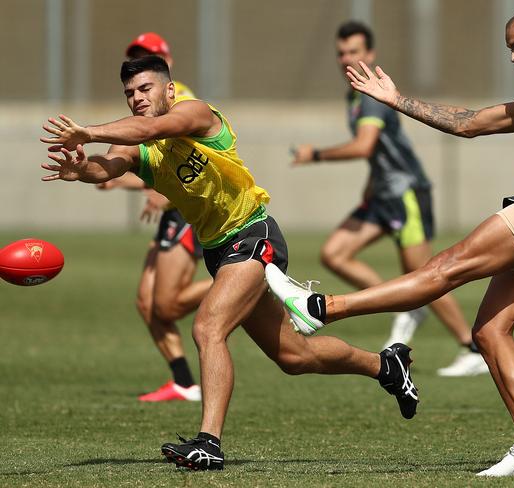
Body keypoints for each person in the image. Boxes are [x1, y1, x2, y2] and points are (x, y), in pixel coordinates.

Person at [265, 6, 514, 477]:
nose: (512, 57)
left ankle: (322, 308)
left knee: (443, 268)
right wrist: (396, 100)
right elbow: (469, 123)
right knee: (489, 331)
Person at [40, 55, 420, 471]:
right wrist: (83, 170)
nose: (137, 99)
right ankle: (386, 365)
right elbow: (112, 166)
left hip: (254, 234)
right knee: (295, 358)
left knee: (207, 327)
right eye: (130, 93)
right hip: (219, 251)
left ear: (169, 89)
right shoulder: (138, 143)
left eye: (145, 89)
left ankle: (209, 443)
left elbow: (150, 128)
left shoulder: (195, 113)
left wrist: (88, 130)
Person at [291, 21, 487, 376]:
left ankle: (471, 348)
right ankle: (406, 305)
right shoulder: (354, 94)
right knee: (334, 253)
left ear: (370, 54)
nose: (345, 58)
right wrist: (371, 185)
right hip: (383, 194)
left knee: (428, 275)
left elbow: (364, 145)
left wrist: (315, 155)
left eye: (353, 51)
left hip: (405, 195)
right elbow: (378, 153)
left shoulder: (371, 99)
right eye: (341, 52)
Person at [96, 32, 212, 402]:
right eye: (136, 57)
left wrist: (89, 134)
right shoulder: (143, 102)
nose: (138, 93)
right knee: (146, 303)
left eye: (149, 56)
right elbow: (138, 159)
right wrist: (103, 173)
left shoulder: (183, 98)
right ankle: (183, 381)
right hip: (171, 210)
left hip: (188, 210)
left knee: (166, 304)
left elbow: (184, 158)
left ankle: (246, 279)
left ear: (167, 65)